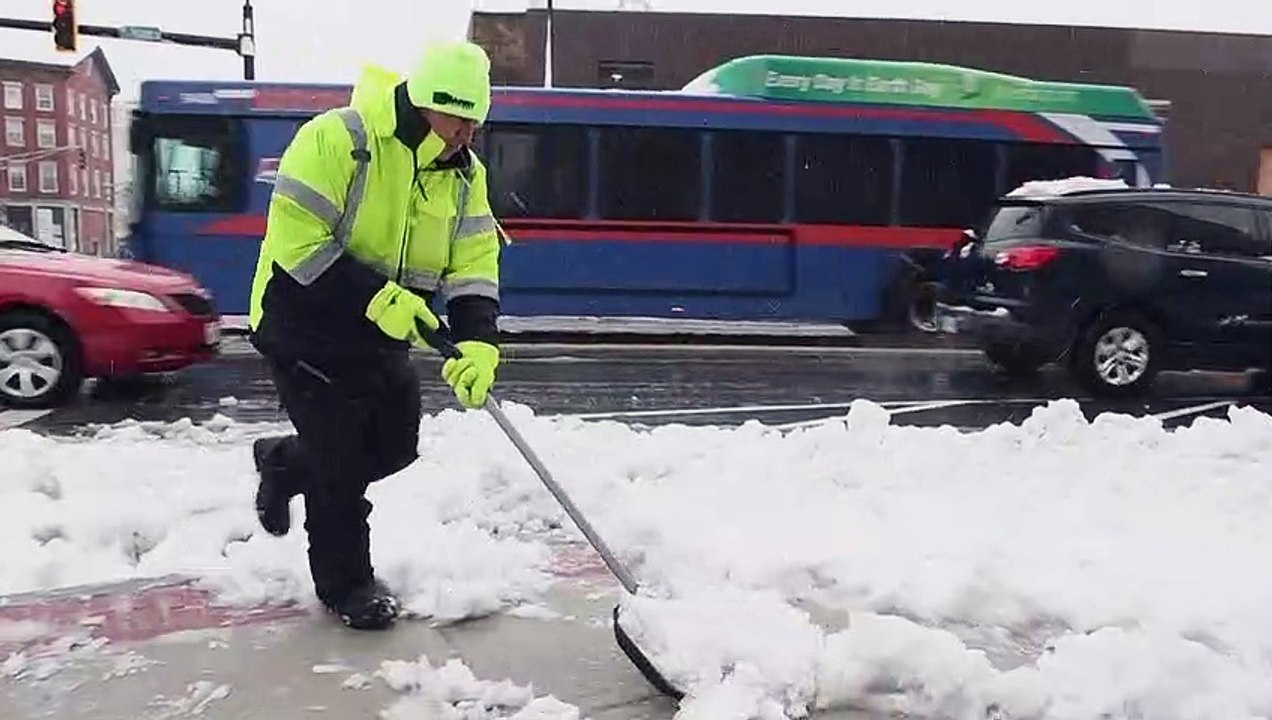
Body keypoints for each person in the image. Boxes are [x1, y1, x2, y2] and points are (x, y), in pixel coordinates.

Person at [244, 41, 504, 630]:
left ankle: (284, 462)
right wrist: (377, 297)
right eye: (460, 119)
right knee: (340, 464)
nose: (468, 134)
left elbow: (474, 261)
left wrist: (478, 340)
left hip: (382, 334)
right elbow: (297, 241)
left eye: (476, 123)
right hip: (303, 324)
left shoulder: (464, 177)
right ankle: (347, 585)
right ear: (427, 104)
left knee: (393, 445)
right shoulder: (338, 140)